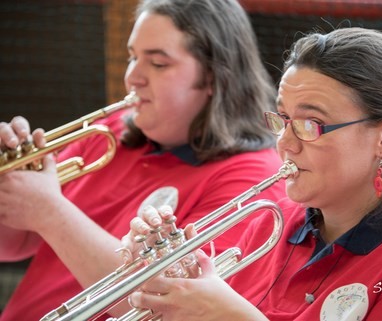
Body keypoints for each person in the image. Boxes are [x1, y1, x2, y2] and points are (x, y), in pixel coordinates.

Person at [122, 27, 382, 321]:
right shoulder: (273, 222)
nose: (285, 144)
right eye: (282, 119)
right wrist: (166, 282)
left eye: (312, 124)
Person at [0, 0, 287, 319]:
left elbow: (172, 306)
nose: (133, 76)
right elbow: (13, 245)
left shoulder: (255, 178)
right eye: (132, 57)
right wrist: (12, 184)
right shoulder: (109, 132)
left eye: (158, 63)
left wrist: (49, 211)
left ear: (213, 76)